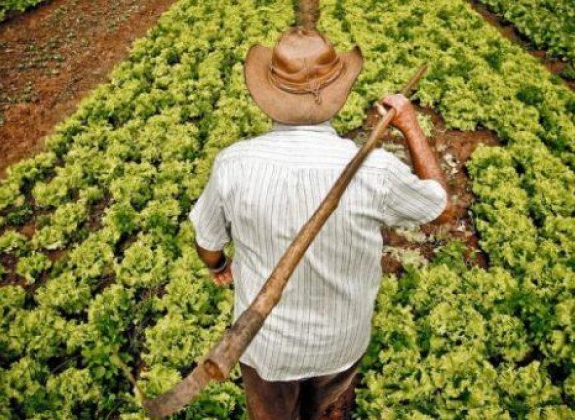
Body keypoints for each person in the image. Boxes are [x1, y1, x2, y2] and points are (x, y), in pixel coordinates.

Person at [188, 25, 450, 420]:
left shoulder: (233, 164)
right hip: (339, 345)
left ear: (268, 96)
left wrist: (219, 266)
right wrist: (410, 125)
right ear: (338, 95)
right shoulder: (374, 169)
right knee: (330, 411)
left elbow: (207, 243)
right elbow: (440, 207)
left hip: (265, 348)